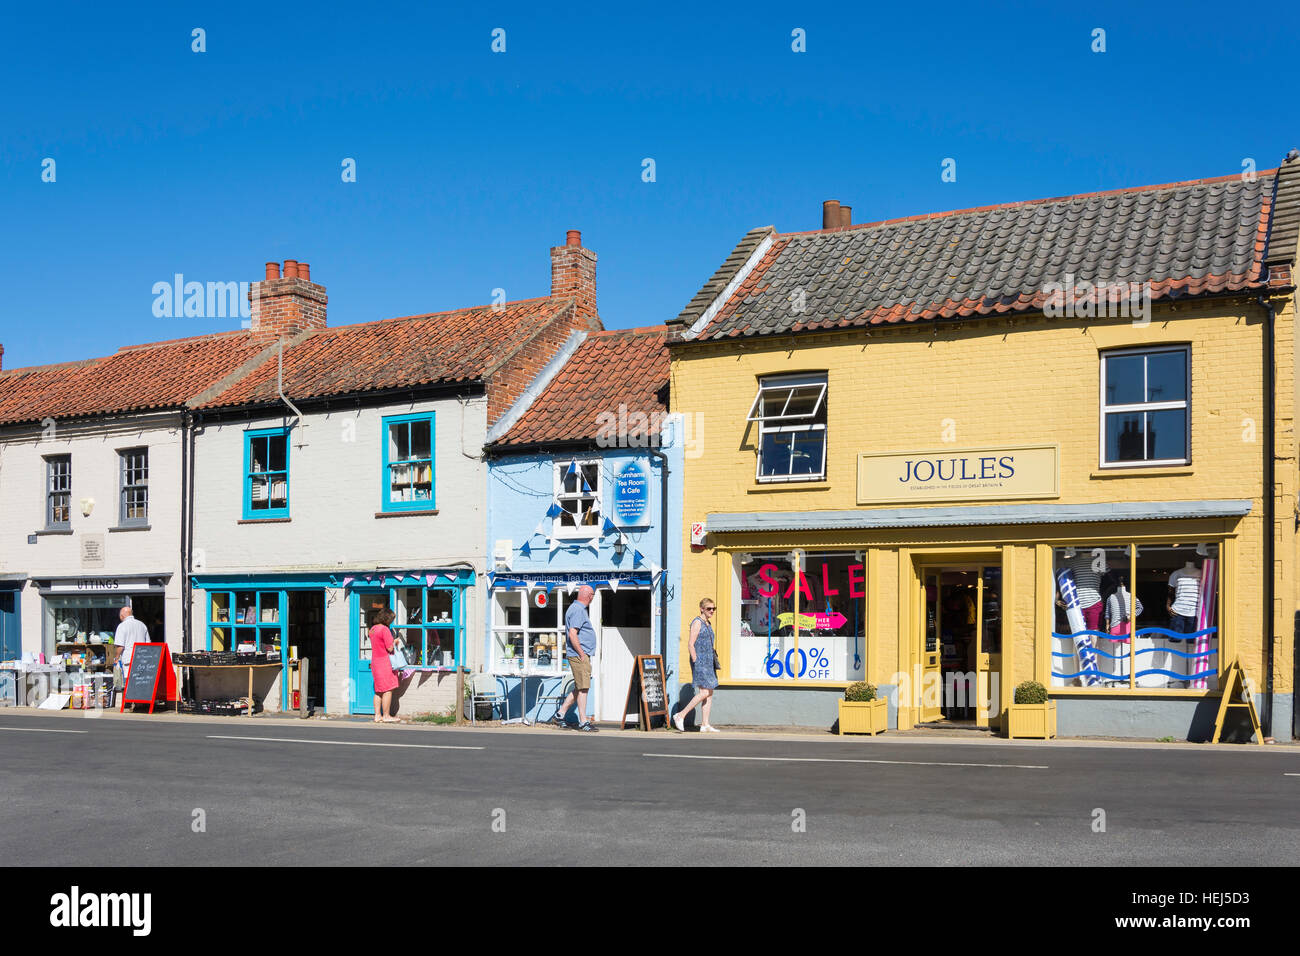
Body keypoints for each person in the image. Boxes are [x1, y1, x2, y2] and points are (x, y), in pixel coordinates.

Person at [549, 584, 598, 732]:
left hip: (578, 654)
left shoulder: (576, 609)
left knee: (579, 687)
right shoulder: (578, 610)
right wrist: (582, 653)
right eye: (592, 595)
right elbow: (572, 634)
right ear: (588, 595)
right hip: (579, 655)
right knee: (584, 689)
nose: (592, 598)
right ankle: (583, 722)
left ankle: (560, 714)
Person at [674, 598, 719, 732]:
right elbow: (690, 644)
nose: (712, 611)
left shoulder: (707, 623)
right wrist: (696, 661)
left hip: (709, 661)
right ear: (702, 609)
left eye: (713, 609)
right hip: (700, 661)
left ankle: (705, 724)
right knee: (704, 692)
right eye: (709, 608)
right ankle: (680, 715)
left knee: (709, 692)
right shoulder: (697, 622)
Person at [369, 609, 401, 723]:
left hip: (375, 662)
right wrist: (395, 641)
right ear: (387, 618)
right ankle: (386, 715)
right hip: (385, 662)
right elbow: (389, 648)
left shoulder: (372, 629)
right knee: (388, 689)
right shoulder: (384, 629)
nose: (391, 622)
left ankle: (377, 715)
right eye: (391, 619)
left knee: (378, 691)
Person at [113, 605, 150, 678]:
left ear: (122, 616)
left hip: (128, 660)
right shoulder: (142, 625)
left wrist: (116, 658)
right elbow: (148, 643)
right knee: (140, 681)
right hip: (141, 659)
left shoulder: (122, 626)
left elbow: (120, 646)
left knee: (129, 682)